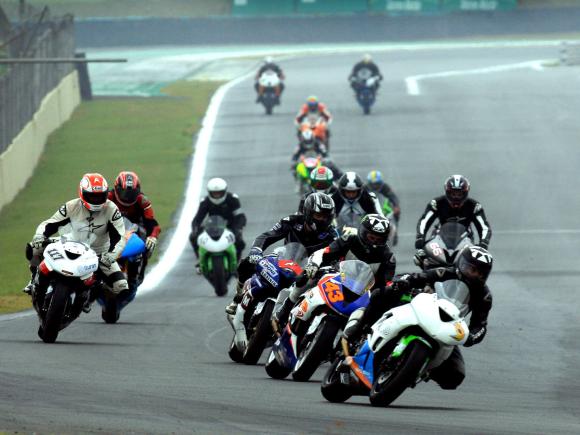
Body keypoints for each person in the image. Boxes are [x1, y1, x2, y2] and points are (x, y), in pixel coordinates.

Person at [343, 245, 493, 390]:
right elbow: (419, 276)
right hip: (421, 307)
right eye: (472, 269)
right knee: (381, 295)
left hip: (444, 326)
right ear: (462, 264)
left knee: (455, 376)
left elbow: (480, 325)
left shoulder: (484, 296)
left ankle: (419, 369)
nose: (476, 275)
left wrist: (472, 336)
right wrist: (404, 282)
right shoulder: (445, 272)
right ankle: (358, 329)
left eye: (481, 273)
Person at [24, 173, 128, 312]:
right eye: (92, 196)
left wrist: (111, 255)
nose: (96, 200)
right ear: (82, 193)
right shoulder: (71, 206)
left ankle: (91, 295)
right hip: (70, 243)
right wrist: (39, 236)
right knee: (33, 248)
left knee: (121, 286)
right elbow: (50, 223)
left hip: (99, 253)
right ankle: (33, 280)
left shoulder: (112, 209)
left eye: (100, 196)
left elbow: (120, 236)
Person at [275, 214, 396, 329]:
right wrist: (313, 265)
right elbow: (324, 253)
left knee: (376, 311)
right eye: (371, 237)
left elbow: (386, 284)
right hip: (336, 277)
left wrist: (386, 291)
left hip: (362, 293)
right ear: (363, 233)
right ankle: (284, 312)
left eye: (378, 239)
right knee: (307, 278)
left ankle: (353, 340)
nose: (373, 242)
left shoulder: (388, 257)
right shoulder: (349, 239)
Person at [225, 192, 337, 315]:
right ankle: (238, 297)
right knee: (247, 263)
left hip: (309, 272)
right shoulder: (292, 221)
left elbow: (337, 255)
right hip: (284, 260)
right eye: (319, 215)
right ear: (308, 213)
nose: (323, 219)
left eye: (326, 216)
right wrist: (256, 250)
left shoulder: (332, 235)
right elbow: (267, 236)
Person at [415, 175, 492, 266]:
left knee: (478, 263)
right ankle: (427, 275)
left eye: (459, 194)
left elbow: (484, 227)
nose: (456, 198)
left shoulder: (474, 206)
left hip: (466, 240)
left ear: (465, 193)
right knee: (420, 258)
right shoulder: (437, 203)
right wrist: (420, 238)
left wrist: (483, 244)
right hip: (439, 238)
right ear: (447, 192)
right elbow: (424, 221)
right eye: (453, 194)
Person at [108, 171, 161, 299]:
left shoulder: (143, 200)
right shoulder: (108, 197)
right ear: (116, 189)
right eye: (124, 193)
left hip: (135, 229)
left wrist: (152, 236)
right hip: (110, 228)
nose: (127, 197)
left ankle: (136, 274)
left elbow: (153, 223)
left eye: (131, 193)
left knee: (147, 244)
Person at [190, 178, 246, 273]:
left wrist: (238, 228)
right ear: (209, 192)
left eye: (219, 193)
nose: (217, 196)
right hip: (212, 226)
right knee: (193, 237)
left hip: (230, 226)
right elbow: (197, 219)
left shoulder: (232, 199)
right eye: (214, 193)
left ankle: (236, 262)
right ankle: (199, 259)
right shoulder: (205, 201)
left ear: (224, 191)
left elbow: (240, 216)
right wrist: (195, 229)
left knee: (240, 241)